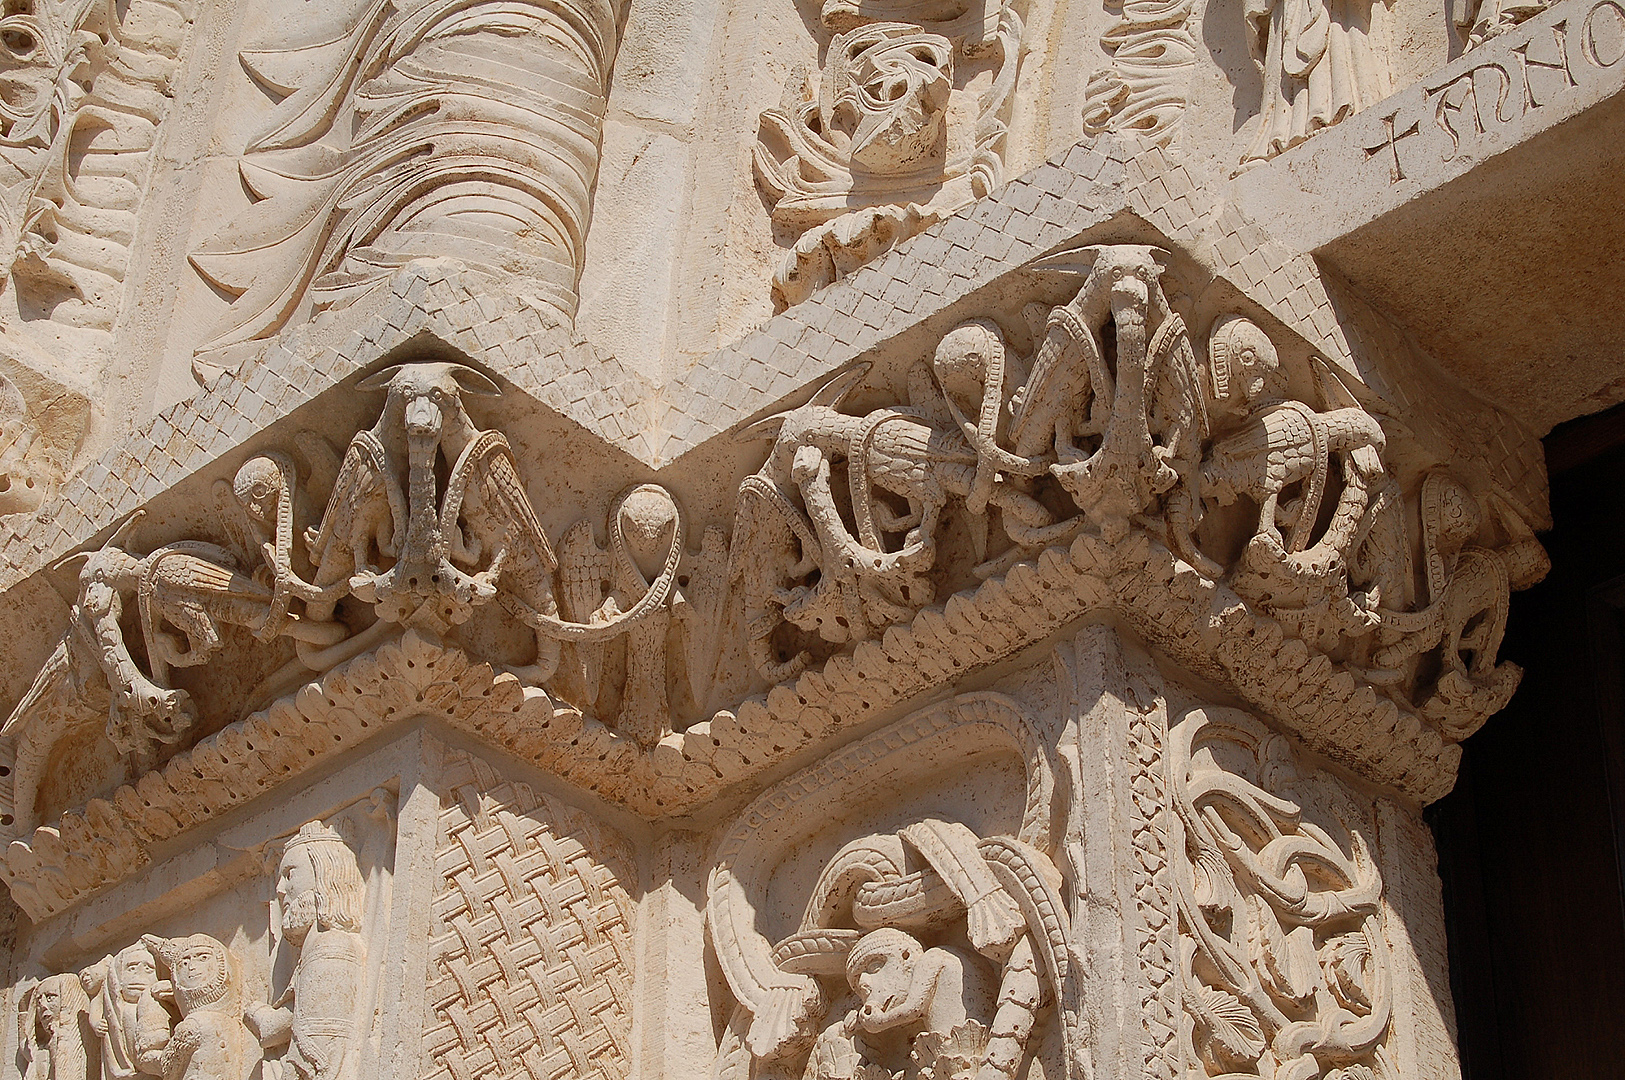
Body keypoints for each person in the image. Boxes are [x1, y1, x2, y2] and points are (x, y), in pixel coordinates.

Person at [245, 820, 367, 1080]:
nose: (280, 890)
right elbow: (291, 1020)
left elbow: (315, 1052)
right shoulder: (317, 950)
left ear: (325, 874)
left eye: (290, 874)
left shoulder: (330, 947)